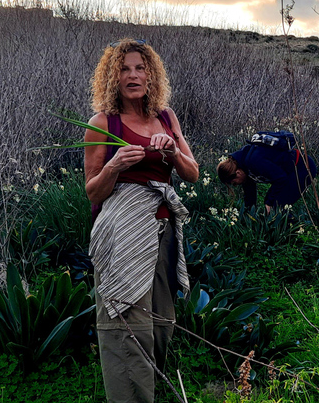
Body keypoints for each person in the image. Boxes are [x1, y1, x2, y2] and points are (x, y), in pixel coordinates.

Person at [84, 38, 199, 403]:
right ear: (112, 78)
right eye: (124, 69)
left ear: (151, 75)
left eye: (140, 68)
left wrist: (174, 151)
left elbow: (192, 172)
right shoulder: (103, 123)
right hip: (124, 238)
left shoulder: (166, 117)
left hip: (162, 234)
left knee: (160, 322)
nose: (133, 75)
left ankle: (150, 389)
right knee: (127, 327)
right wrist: (115, 165)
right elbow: (93, 193)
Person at [216, 137, 318, 213]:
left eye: (234, 183)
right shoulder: (244, 168)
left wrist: (269, 203)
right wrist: (249, 216)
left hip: (303, 167)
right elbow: (250, 196)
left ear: (237, 173)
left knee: (277, 205)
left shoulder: (253, 162)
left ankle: (290, 236)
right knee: (273, 204)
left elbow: (281, 178)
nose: (236, 185)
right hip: (290, 172)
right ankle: (279, 232)